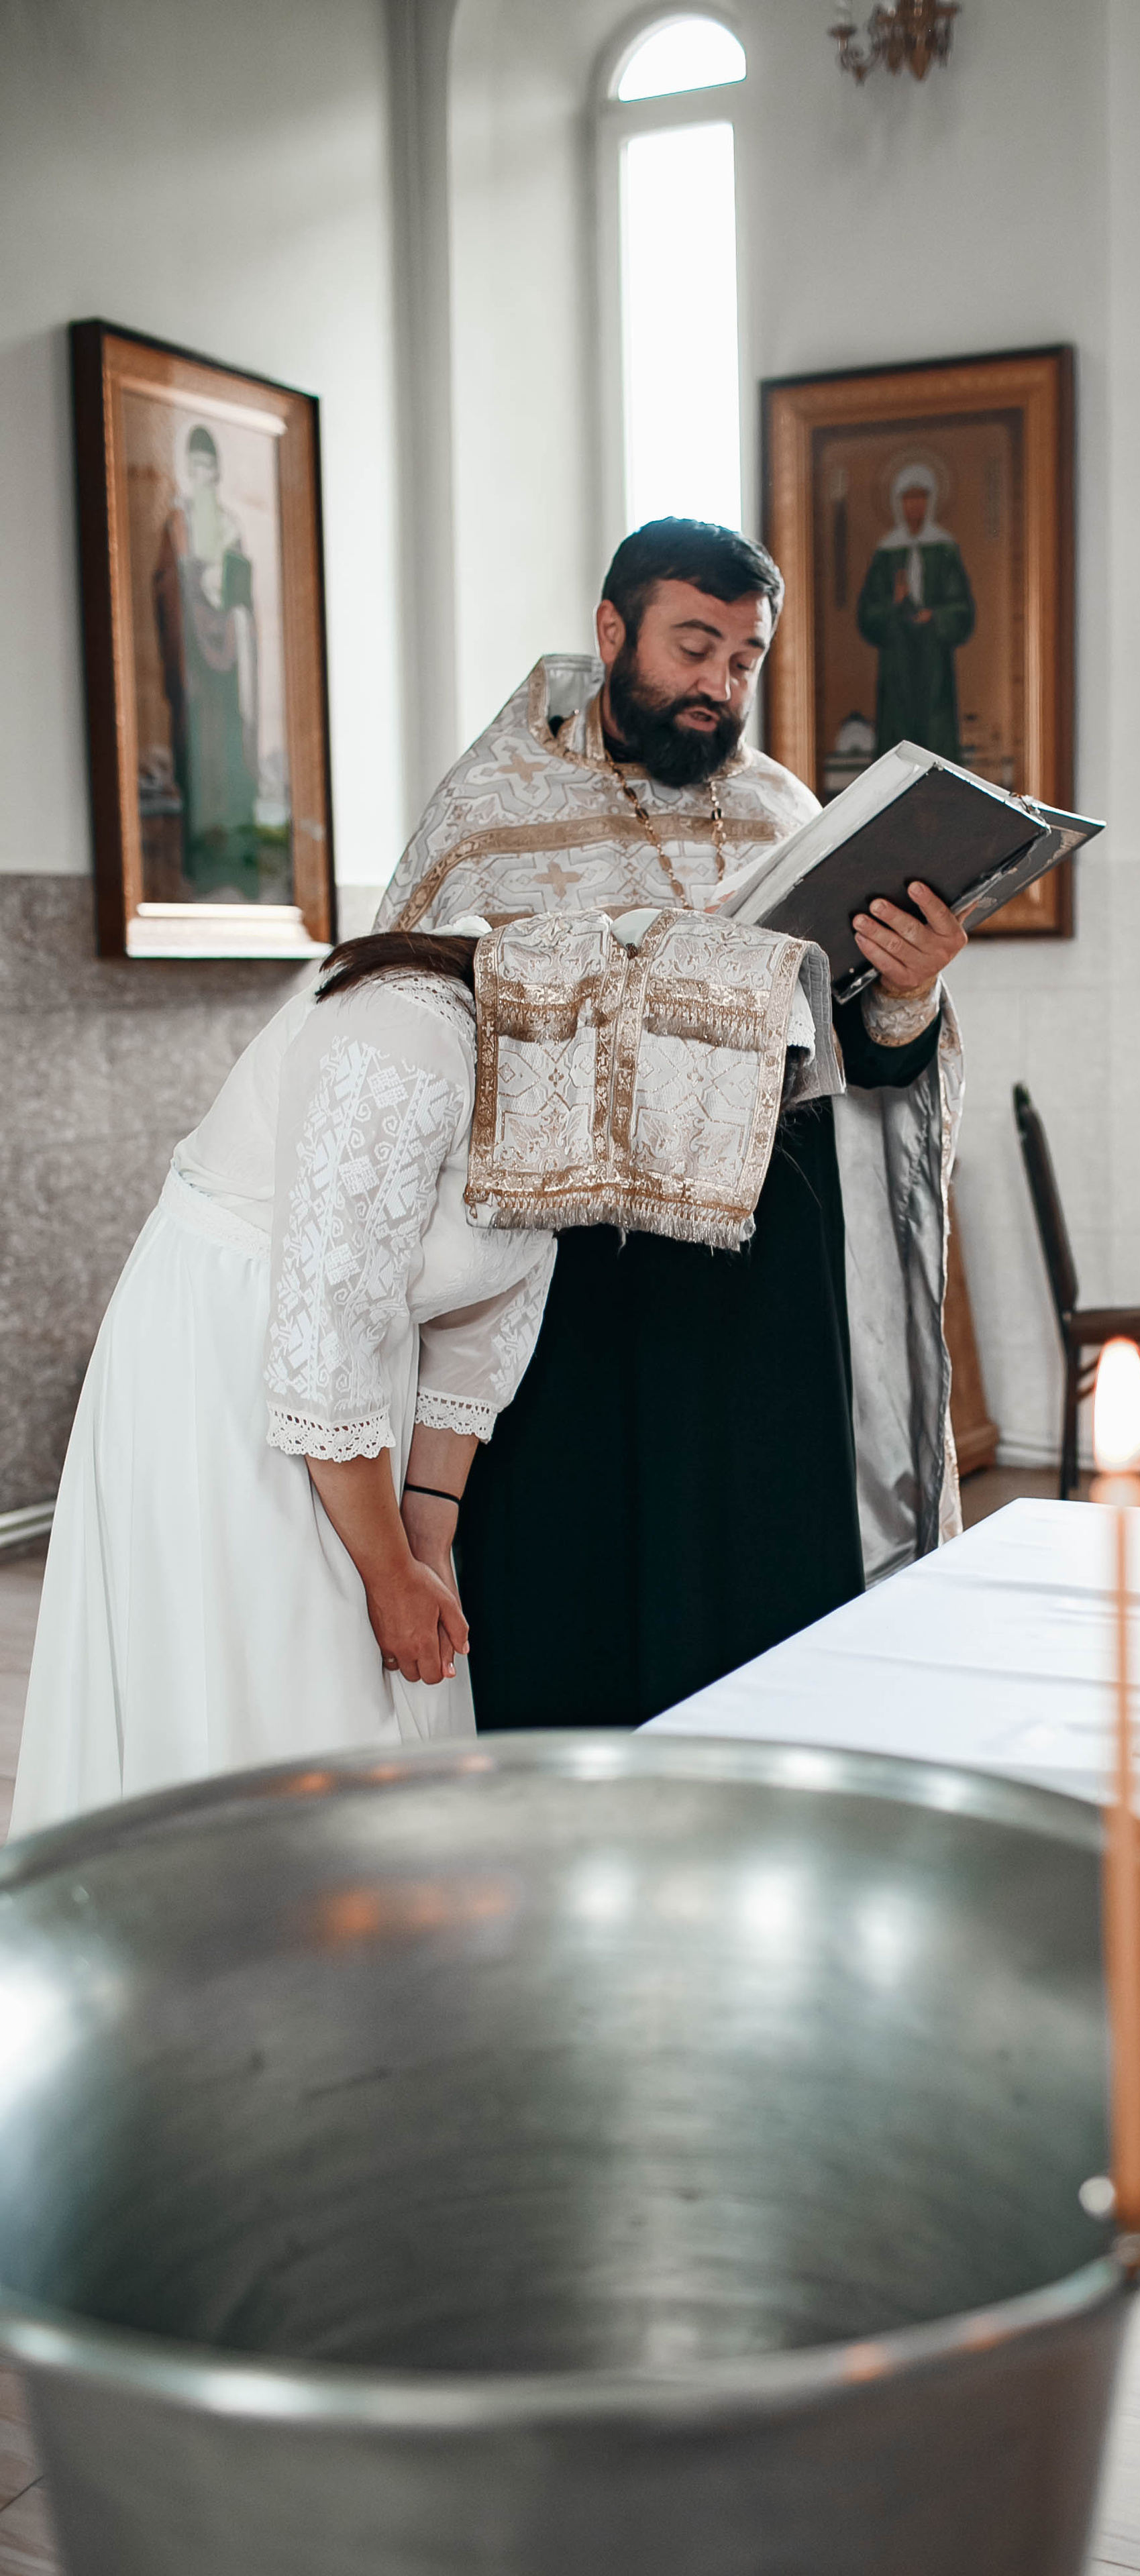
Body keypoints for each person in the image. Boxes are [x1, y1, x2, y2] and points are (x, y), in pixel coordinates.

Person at [375, 516, 969, 1729]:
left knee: (763, 1606)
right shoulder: (484, 813)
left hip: (759, 1280)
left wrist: (909, 989)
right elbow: (405, 1035)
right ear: (611, 633)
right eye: (695, 646)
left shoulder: (780, 811)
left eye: (744, 659)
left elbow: (864, 1059)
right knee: (570, 1594)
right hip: (566, 1287)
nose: (719, 684)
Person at [10, 934, 555, 1837]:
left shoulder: (576, 1091)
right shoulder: (407, 1033)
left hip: (364, 1364)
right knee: (283, 1660)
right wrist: (387, 1577)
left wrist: (425, 1537)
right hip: (235, 1347)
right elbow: (324, 1338)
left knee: (384, 1666)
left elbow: (494, 1306)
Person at [152, 423, 266, 900]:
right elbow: (165, 588)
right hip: (194, 668)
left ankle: (237, 865)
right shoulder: (177, 526)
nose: (200, 474)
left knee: (231, 753)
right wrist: (191, 584)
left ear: (217, 468)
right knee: (200, 754)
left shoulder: (230, 526)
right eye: (193, 465)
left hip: (227, 668)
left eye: (207, 465)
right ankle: (201, 864)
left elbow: (242, 599)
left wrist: (225, 584)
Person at [855, 463, 976, 761]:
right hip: (897, 658)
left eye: (921, 497)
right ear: (898, 503)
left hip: (934, 658)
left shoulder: (944, 547)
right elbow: (868, 613)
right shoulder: (886, 552)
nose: (915, 506)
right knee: (897, 730)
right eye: (908, 498)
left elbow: (962, 609)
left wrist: (934, 617)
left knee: (937, 732)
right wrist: (895, 605)